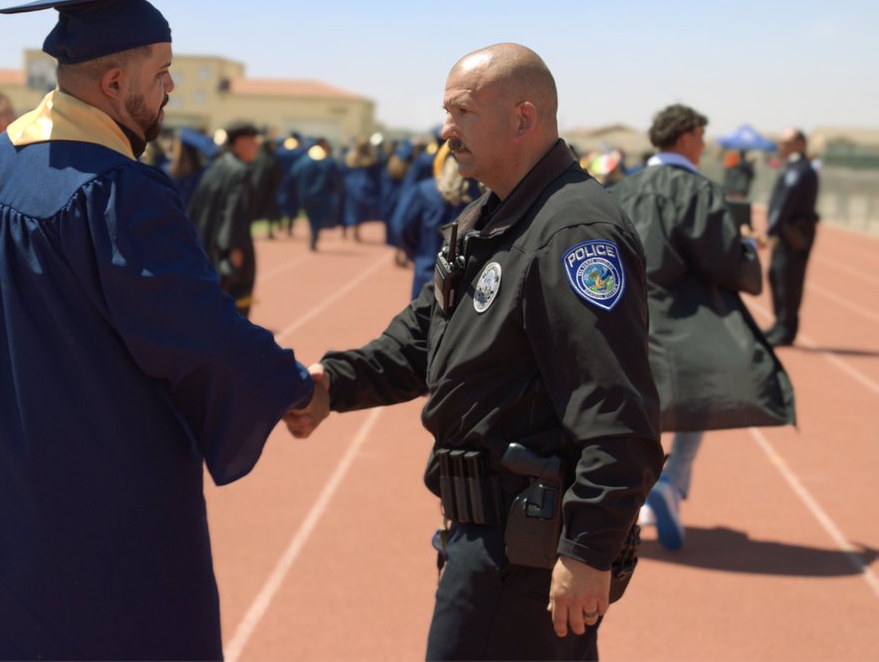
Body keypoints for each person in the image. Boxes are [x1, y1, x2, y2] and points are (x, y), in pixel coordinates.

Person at [0, 0, 320, 662]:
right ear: (112, 85)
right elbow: (196, 331)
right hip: (94, 497)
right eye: (161, 75)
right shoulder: (118, 192)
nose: (169, 91)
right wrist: (296, 387)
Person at [286, 43, 663, 661]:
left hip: (528, 552)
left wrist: (589, 549)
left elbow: (616, 407)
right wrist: (329, 386)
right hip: (487, 540)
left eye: (461, 111)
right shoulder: (490, 220)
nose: (445, 128)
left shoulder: (573, 234)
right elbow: (419, 342)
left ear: (523, 118)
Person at [611, 104, 795, 551]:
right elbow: (722, 259)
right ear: (688, 136)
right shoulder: (697, 191)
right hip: (682, 318)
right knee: (705, 392)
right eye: (702, 136)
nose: (706, 145)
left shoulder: (619, 191)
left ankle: (637, 491)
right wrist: (747, 252)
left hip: (625, 316)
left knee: (635, 408)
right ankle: (670, 481)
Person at [186, 121, 262, 317]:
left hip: (206, 246)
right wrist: (234, 251)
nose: (257, 146)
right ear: (241, 142)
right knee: (234, 309)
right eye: (253, 141)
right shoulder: (240, 172)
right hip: (227, 251)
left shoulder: (216, 167)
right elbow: (235, 213)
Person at [391, 144, 480, 299]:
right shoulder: (481, 194)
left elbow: (402, 227)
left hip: (427, 273)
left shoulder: (425, 190)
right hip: (467, 282)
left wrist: (419, 254)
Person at [763, 128, 819, 346]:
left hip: (793, 235)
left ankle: (786, 330)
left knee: (788, 281)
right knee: (777, 277)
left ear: (800, 144)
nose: (781, 146)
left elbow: (786, 202)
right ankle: (780, 325)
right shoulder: (793, 167)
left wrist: (771, 229)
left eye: (786, 142)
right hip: (785, 234)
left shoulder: (800, 169)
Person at [289, 138, 341, 250]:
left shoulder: (302, 161)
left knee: (312, 217)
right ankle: (314, 234)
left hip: (306, 195)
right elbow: (336, 179)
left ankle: (314, 234)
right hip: (322, 195)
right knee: (317, 218)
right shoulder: (328, 161)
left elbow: (293, 175)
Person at [341, 137, 383, 241]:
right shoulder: (371, 159)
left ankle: (349, 229)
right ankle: (355, 230)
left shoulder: (349, 158)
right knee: (358, 211)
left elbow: (343, 172)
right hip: (365, 186)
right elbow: (376, 175)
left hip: (350, 186)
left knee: (351, 209)